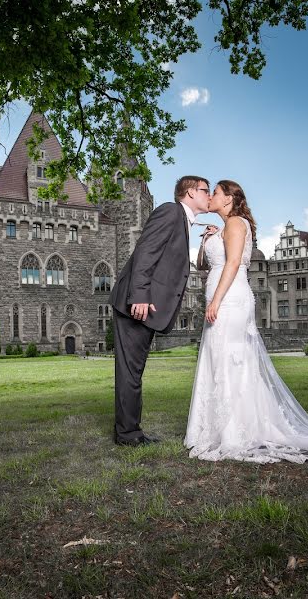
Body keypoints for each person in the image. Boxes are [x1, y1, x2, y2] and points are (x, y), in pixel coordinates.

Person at [184, 180, 308, 463]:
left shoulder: (237, 223)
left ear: (228, 199)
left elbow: (231, 264)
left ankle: (236, 430)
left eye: (215, 192)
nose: (211, 196)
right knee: (221, 359)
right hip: (223, 295)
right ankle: (222, 427)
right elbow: (204, 264)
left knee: (232, 360)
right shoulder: (225, 228)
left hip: (230, 298)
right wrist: (208, 239)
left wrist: (215, 300)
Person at [109, 175, 211, 446]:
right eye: (205, 190)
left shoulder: (184, 221)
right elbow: (145, 252)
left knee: (134, 372)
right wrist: (139, 295)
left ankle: (129, 431)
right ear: (189, 193)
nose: (209, 195)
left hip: (147, 307)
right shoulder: (169, 211)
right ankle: (128, 435)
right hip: (137, 305)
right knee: (130, 373)